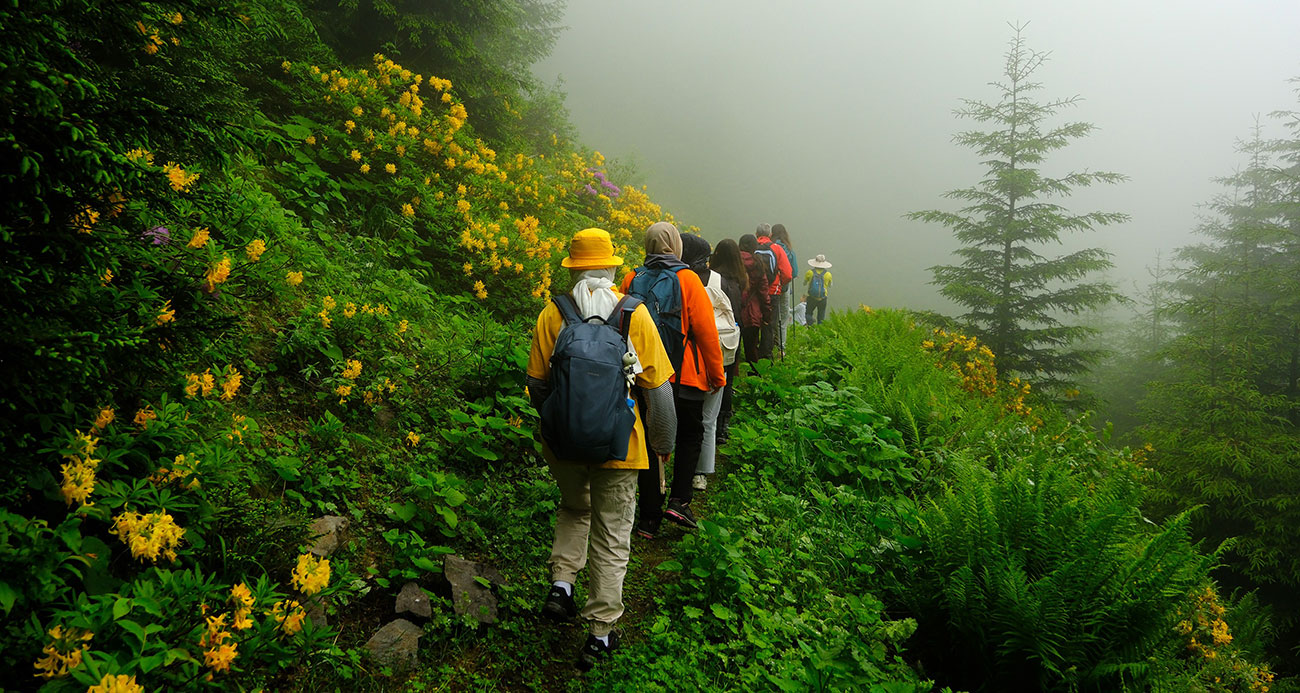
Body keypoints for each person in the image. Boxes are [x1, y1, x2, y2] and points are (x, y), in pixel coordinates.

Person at [527, 228, 677, 670]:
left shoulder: (552, 313)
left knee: (575, 509)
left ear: (572, 268)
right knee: (612, 536)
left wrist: (563, 421)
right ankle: (600, 633)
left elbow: (536, 384)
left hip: (564, 446)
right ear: (611, 267)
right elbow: (661, 394)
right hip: (621, 447)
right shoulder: (634, 313)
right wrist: (662, 446)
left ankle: (562, 585)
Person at [621, 222, 726, 539]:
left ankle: (649, 518)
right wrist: (717, 375)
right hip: (683, 376)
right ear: (676, 246)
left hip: (641, 376)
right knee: (690, 434)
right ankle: (679, 501)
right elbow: (707, 334)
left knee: (650, 443)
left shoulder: (631, 278)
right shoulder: (688, 280)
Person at [681, 234, 742, 491]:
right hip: (716, 356)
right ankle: (700, 473)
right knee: (708, 417)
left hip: (682, 358)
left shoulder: (679, 280)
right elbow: (734, 322)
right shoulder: (724, 283)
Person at [706, 238, 748, 448]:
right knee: (728, 379)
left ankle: (709, 421)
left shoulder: (713, 279)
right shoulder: (740, 280)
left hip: (712, 333)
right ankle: (723, 426)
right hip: (732, 335)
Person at [754, 224, 792, 360]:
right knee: (769, 323)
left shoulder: (751, 248)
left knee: (754, 322)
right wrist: (779, 285)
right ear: (769, 235)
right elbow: (788, 273)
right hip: (773, 292)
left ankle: (752, 354)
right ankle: (766, 356)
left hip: (754, 292)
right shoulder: (777, 249)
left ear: (756, 234)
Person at [737, 234, 771, 370]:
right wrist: (767, 315)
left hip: (734, 310)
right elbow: (764, 292)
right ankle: (754, 383)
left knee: (733, 351)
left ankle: (731, 384)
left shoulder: (734, 261)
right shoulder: (758, 263)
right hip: (752, 313)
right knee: (752, 351)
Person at [770, 224, 796, 357]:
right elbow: (794, 272)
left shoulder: (769, 247)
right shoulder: (789, 250)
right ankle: (781, 348)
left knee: (771, 315)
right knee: (783, 317)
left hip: (769, 288)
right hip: (784, 288)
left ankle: (771, 343)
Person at [804, 254, 833, 326]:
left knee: (808, 313)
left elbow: (804, 283)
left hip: (811, 297)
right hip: (823, 299)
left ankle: (811, 327)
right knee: (821, 316)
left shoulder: (809, 272)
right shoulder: (828, 274)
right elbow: (830, 285)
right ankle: (820, 331)